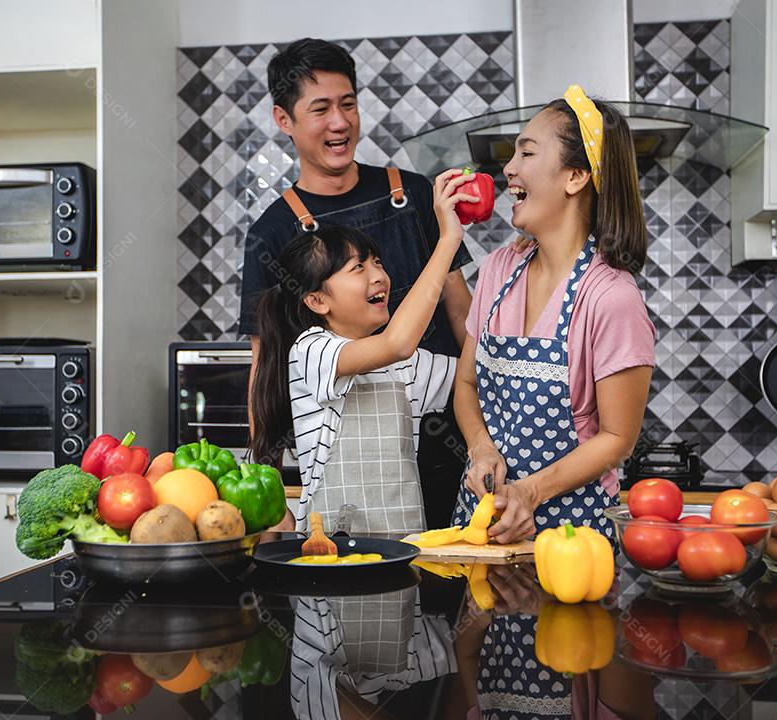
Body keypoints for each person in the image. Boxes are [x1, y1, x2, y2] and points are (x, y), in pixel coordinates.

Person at [239, 38, 473, 529]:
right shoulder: (271, 233)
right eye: (320, 109)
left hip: (447, 438)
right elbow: (267, 367)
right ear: (284, 120)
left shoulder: (413, 193)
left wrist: (491, 436)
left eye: (348, 104)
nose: (340, 122)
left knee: (445, 588)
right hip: (341, 476)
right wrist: (265, 490)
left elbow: (463, 318)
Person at [452, 84, 655, 544]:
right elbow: (465, 383)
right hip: (480, 525)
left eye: (526, 152)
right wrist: (481, 448)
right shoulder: (498, 270)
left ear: (575, 176)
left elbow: (618, 437)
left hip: (571, 536)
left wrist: (530, 491)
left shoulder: (610, 297)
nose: (508, 168)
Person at [249, 170, 477, 534]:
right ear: (317, 300)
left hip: (404, 553)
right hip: (330, 556)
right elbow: (397, 343)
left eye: (378, 263)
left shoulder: (409, 366)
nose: (379, 275)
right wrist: (447, 239)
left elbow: (474, 372)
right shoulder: (312, 351)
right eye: (358, 267)